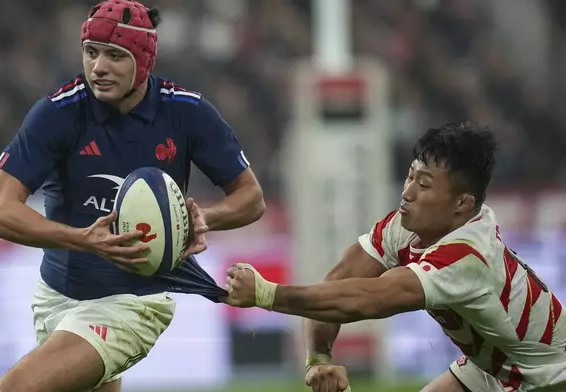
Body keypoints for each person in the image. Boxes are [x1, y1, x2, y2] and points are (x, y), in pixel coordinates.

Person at [0, 1, 265, 391]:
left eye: (115, 55)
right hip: (55, 297)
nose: (98, 67)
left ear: (144, 61)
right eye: (90, 52)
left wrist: (203, 219)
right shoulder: (58, 112)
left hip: (133, 302)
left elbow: (250, 197)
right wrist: (83, 239)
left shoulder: (187, 112)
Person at [224, 122, 566, 392]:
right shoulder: (406, 225)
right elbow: (337, 284)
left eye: (425, 185)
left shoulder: (469, 254)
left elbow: (368, 299)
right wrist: (318, 358)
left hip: (548, 378)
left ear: (462, 203)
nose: (407, 192)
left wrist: (267, 294)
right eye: (410, 176)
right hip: (490, 364)